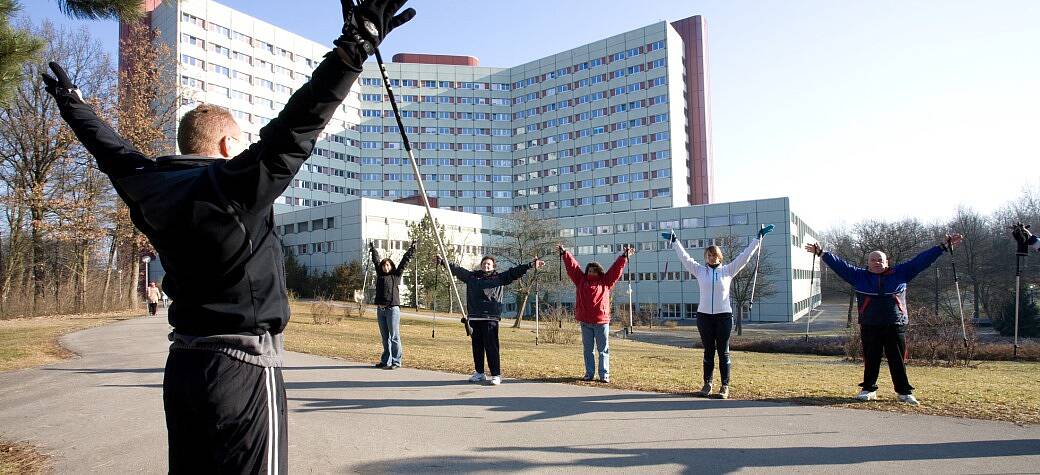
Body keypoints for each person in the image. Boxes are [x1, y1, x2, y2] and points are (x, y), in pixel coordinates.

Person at [41, 0, 415, 471]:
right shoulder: (234, 185)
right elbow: (299, 124)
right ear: (224, 144)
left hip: (183, 367)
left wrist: (73, 105)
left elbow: (110, 150)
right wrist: (353, 49)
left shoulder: (150, 186)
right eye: (240, 142)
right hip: (242, 369)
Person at [804, 233, 963, 406]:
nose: (877, 262)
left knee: (897, 360)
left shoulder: (901, 273)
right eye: (873, 260)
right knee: (871, 358)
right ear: (868, 263)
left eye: (880, 260)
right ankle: (868, 389)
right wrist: (822, 253)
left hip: (895, 324)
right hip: (869, 324)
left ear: (887, 262)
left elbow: (920, 261)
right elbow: (840, 265)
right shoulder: (858, 276)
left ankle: (904, 392)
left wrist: (942, 247)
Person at [667, 225, 773, 399]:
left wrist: (757, 239)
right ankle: (707, 384)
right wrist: (675, 241)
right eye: (709, 255)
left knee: (723, 352)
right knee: (708, 351)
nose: (711, 258)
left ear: (719, 257)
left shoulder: (728, 270)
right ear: (706, 257)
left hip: (724, 317)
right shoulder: (700, 271)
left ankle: (724, 386)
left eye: (714, 255)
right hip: (704, 317)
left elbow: (744, 257)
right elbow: (685, 258)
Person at [439, 255, 544, 385]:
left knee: (491, 347)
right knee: (477, 347)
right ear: (481, 265)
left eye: (488, 264)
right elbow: (457, 270)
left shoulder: (499, 278)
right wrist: (443, 262)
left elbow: (514, 272)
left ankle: (496, 374)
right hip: (475, 317)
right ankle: (479, 373)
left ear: (493, 266)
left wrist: (530, 265)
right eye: (484, 263)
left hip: (490, 318)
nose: (486, 265)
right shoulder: (472, 277)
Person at [559, 244, 632, 383]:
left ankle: (604, 375)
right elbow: (573, 267)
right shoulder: (580, 280)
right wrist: (565, 253)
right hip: (585, 322)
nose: (591, 273)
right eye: (589, 270)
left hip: (601, 322)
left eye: (594, 271)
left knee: (603, 350)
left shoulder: (606, 281)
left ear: (599, 272)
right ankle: (589, 373)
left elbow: (616, 270)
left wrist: (623, 257)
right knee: (588, 350)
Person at [370, 241, 414, 369]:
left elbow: (404, 262)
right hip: (380, 310)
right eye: (384, 265)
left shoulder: (396, 275)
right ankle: (385, 361)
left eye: (388, 265)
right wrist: (373, 250)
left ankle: (396, 362)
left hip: (392, 310)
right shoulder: (380, 275)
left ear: (391, 266)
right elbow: (376, 261)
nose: (385, 267)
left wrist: (411, 250)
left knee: (394, 337)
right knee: (385, 338)